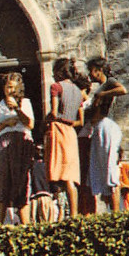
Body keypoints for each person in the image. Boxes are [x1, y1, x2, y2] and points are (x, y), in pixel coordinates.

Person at [0, 72, 35, 225]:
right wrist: (5, 123)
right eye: (8, 87)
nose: (11, 91)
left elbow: (30, 124)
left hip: (22, 142)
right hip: (4, 143)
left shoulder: (26, 103)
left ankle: (26, 225)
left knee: (22, 182)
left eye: (14, 88)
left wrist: (18, 109)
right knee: (1, 182)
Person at [45, 57, 85, 218]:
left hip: (58, 129)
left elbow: (54, 113)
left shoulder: (56, 87)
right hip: (71, 132)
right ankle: (74, 213)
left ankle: (61, 213)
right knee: (70, 175)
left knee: (58, 171)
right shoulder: (78, 91)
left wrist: (46, 122)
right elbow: (80, 121)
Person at [87, 101, 122, 212]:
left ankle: (115, 212)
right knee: (103, 176)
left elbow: (110, 151)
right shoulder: (100, 126)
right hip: (100, 135)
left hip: (109, 155)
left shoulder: (107, 125)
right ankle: (111, 210)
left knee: (111, 176)